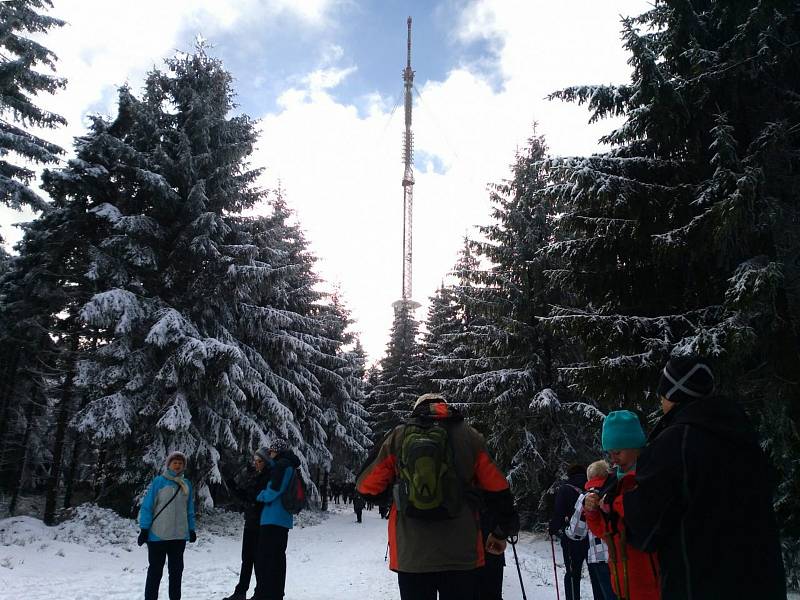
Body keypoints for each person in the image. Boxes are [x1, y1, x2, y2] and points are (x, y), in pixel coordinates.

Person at [623, 356, 786, 599]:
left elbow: (645, 531)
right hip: (761, 583)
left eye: (663, 393)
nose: (660, 400)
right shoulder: (743, 435)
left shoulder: (676, 442)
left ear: (675, 393)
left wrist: (624, 499)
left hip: (699, 584)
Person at [357, 393, 519, 600]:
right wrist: (501, 532)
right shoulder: (469, 436)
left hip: (412, 556)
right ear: (444, 406)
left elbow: (366, 486)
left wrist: (395, 491)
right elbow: (498, 490)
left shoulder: (398, 436)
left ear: (417, 409)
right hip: (462, 555)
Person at [583, 411, 659, 600]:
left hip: (654, 586)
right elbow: (605, 531)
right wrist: (592, 512)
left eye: (617, 452)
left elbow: (649, 516)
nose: (613, 459)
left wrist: (614, 503)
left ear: (635, 446)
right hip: (623, 585)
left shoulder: (652, 475)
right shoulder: (613, 483)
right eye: (610, 453)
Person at [138, 450, 196, 600]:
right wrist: (144, 529)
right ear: (169, 464)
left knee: (176, 573)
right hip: (158, 536)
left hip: (178, 537)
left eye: (180, 463)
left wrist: (191, 529)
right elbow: (147, 506)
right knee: (155, 573)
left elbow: (189, 509)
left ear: (184, 466)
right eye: (174, 463)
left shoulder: (186, 484)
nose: (177, 465)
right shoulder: (159, 481)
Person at [252, 439, 300, 600]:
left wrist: (260, 496)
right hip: (283, 518)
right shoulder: (289, 465)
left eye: (271, 451)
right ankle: (276, 593)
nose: (270, 455)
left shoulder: (282, 465)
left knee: (266, 558)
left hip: (273, 518)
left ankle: (267, 594)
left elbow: (275, 489)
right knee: (278, 558)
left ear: (276, 452)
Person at [223, 448, 272, 600]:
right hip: (250, 522)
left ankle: (260, 592)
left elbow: (257, 498)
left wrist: (246, 497)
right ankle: (241, 591)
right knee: (247, 558)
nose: (257, 464)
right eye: (255, 461)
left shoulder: (268, 478)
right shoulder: (256, 476)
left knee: (258, 560)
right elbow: (248, 498)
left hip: (261, 523)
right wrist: (234, 487)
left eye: (260, 461)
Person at [565, 460, 616, 600]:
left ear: (589, 478)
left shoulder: (586, 497)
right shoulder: (616, 489)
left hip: (598, 557)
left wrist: (565, 530)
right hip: (621, 554)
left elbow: (576, 533)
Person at [548, 464, 590, 600]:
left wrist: (552, 529)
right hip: (592, 538)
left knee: (572, 573)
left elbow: (558, 513)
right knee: (596, 575)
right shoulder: (591, 487)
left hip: (572, 537)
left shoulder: (565, 489)